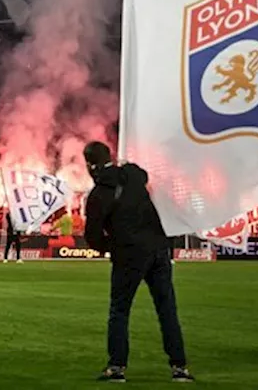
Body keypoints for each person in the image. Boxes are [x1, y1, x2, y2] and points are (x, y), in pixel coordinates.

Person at [82, 141, 192, 383]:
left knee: (119, 310)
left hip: (129, 254)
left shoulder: (99, 194)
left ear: (90, 164)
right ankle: (179, 367)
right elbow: (143, 176)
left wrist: (114, 246)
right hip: (158, 248)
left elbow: (93, 236)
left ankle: (117, 367)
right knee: (167, 310)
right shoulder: (133, 175)